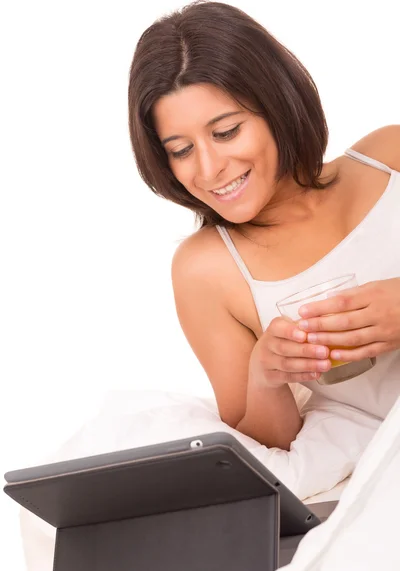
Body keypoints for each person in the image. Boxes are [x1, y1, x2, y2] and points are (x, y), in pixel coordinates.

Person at [127, 1, 400, 451]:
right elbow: (265, 452)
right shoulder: (206, 270)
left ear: (278, 105)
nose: (210, 168)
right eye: (181, 150)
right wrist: (266, 378)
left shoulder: (389, 158)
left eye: (226, 131)